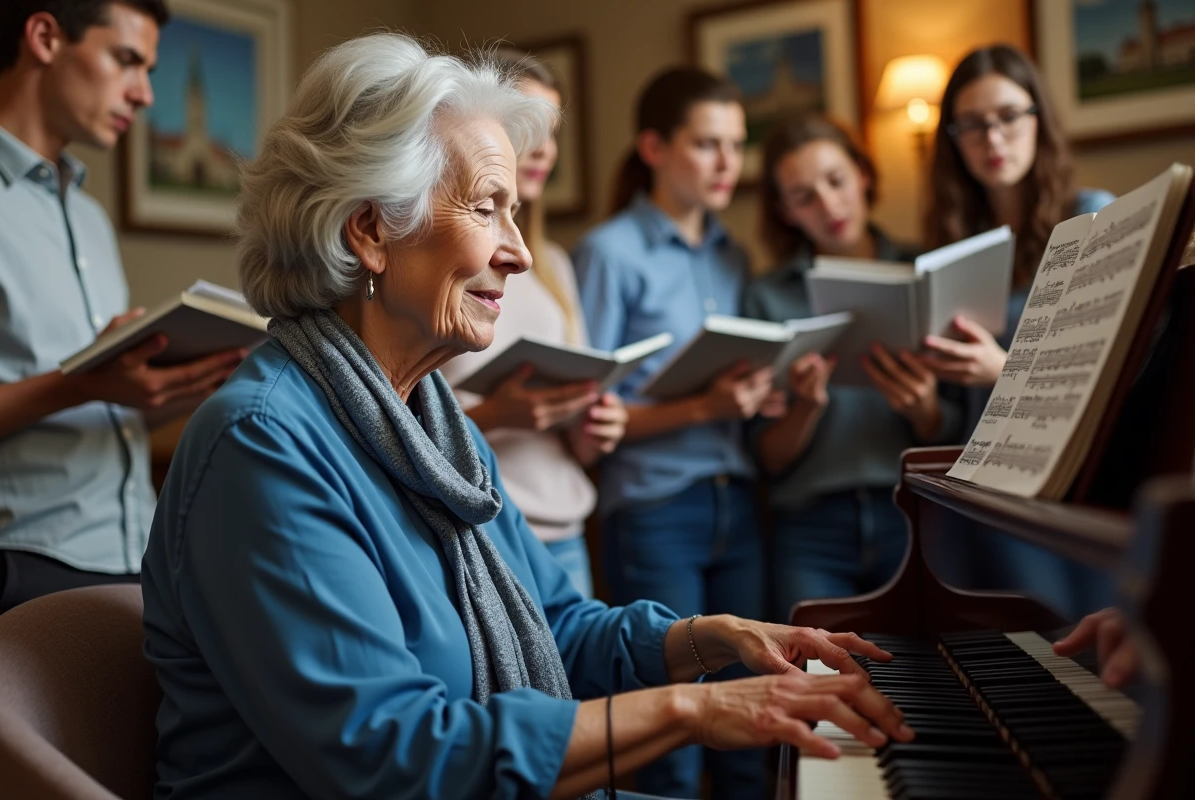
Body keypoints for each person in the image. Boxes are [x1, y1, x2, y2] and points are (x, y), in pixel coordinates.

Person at [140, 34, 914, 800]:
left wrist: (711, 637)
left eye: (515, 213)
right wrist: (693, 706)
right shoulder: (264, 446)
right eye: (487, 209)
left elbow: (558, 628)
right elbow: (392, 757)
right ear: (370, 230)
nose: (519, 252)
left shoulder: (439, 431)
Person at [571, 67, 783, 799]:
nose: (729, 163)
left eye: (736, 144)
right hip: (658, 508)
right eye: (707, 144)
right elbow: (588, 413)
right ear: (655, 148)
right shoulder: (609, 252)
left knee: (751, 722)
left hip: (739, 503)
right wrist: (706, 407)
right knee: (673, 735)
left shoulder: (733, 254)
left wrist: (765, 395)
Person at [0, 0, 244, 615]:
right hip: (24, 564)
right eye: (126, 60)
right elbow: (80, 390)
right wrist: (81, 385)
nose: (144, 95)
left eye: (151, 72)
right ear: (45, 37)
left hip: (139, 556)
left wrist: (182, 383)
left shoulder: (89, 217)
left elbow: (107, 404)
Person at [918, 44, 1116, 618]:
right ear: (953, 140)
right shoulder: (953, 247)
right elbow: (957, 418)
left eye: (1008, 116)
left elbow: (1110, 377)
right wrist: (925, 406)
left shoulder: (1092, 216)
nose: (992, 139)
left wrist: (1001, 370)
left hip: (1062, 490)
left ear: (1039, 119)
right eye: (972, 126)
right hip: (976, 493)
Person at [742, 114, 961, 624]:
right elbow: (767, 456)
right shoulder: (766, 295)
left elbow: (962, 429)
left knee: (929, 678)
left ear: (863, 174)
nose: (828, 206)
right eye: (803, 197)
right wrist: (806, 409)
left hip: (914, 513)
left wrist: (925, 410)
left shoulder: (927, 270)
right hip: (811, 526)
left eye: (836, 181)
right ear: (785, 211)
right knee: (814, 683)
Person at [441, 48, 625, 600]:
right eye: (528, 125)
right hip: (482, 528)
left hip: (566, 533)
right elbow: (405, 412)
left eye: (554, 129)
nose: (545, 147)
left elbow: (577, 440)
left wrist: (594, 425)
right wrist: (500, 415)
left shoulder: (556, 267)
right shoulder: (445, 266)